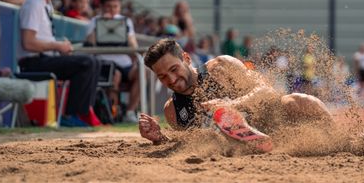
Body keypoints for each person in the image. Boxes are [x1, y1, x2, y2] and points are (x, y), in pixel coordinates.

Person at [138, 39, 332, 147]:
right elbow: (185, 144)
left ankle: (345, 142)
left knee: (299, 101)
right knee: (209, 138)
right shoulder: (172, 110)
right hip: (238, 148)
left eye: (174, 69)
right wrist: (160, 139)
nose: (171, 80)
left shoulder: (221, 67)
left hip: (273, 124)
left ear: (186, 59)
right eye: (162, 76)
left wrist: (233, 105)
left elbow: (267, 90)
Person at [17, 0, 101, 127]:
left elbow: (43, 38)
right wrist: (57, 46)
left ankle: (83, 113)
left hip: (45, 58)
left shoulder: (46, 4)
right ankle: (71, 115)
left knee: (95, 62)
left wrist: (60, 44)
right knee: (87, 63)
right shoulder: (34, 4)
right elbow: (28, 42)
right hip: (32, 62)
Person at [86, 0, 140, 123]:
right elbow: (89, 43)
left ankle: (130, 112)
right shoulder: (94, 21)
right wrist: (102, 25)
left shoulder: (126, 22)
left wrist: (123, 32)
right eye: (109, 6)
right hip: (105, 63)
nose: (112, 10)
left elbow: (134, 45)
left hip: (125, 64)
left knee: (144, 72)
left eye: (115, 6)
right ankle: (112, 113)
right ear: (102, 7)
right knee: (115, 76)